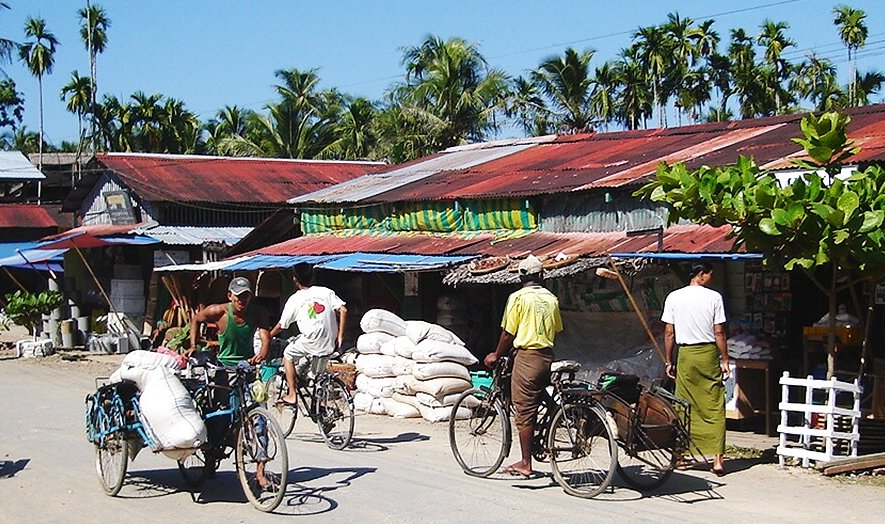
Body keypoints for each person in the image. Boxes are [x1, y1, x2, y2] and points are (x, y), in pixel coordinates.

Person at [187, 275, 275, 489]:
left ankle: (260, 471)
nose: (242, 301)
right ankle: (210, 460)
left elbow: (265, 337)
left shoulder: (258, 313)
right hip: (223, 369)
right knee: (217, 416)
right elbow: (196, 319)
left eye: (245, 296)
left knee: (258, 416)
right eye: (238, 297)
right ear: (230, 296)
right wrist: (193, 344)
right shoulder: (218, 311)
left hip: (248, 368)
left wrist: (262, 353)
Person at [483, 254, 562, 478]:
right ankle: (553, 416)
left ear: (521, 277)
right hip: (547, 356)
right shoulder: (551, 298)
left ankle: (526, 463)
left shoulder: (518, 298)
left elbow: (508, 333)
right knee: (538, 394)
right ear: (541, 275)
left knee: (524, 411)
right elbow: (555, 329)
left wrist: (496, 354)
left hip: (527, 358)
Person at [662, 261, 730, 476]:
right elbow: (719, 332)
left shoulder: (674, 297)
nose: (711, 278)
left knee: (684, 404)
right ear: (701, 275)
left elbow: (669, 333)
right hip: (708, 355)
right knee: (714, 403)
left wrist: (668, 360)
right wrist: (725, 359)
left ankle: (680, 456)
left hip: (686, 356)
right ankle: (718, 459)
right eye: (710, 275)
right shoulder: (714, 298)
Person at [273, 263, 347, 406]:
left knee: (288, 354)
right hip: (329, 342)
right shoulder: (326, 291)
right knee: (317, 375)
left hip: (311, 342)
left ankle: (292, 394)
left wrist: (269, 335)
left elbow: (282, 325)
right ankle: (320, 407)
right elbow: (343, 310)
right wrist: (340, 336)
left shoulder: (295, 299)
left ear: (295, 280)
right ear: (312, 277)